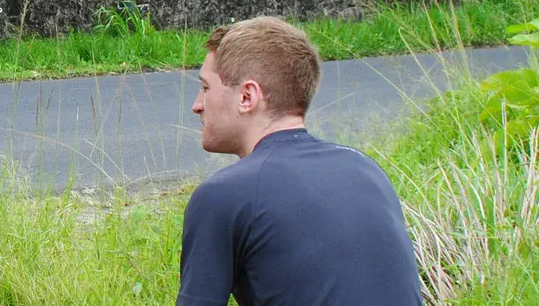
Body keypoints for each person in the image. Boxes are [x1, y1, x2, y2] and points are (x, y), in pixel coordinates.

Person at [179, 16, 423, 305]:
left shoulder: (222, 196)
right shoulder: (366, 169)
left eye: (205, 88)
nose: (197, 105)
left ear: (247, 96)